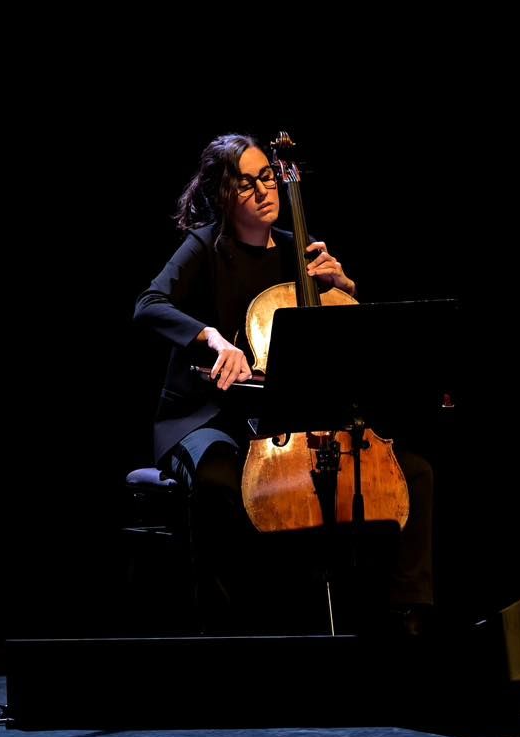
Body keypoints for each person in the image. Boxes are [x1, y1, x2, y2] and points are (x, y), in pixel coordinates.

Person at [133, 132, 433, 634]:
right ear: (223, 194)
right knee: (219, 482)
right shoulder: (204, 246)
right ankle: (232, 627)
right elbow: (149, 305)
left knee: (415, 472)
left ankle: (406, 618)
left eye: (268, 177)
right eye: (245, 183)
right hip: (206, 415)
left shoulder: (301, 254)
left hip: (285, 422)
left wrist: (345, 291)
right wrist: (213, 339)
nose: (263, 191)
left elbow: (344, 349)